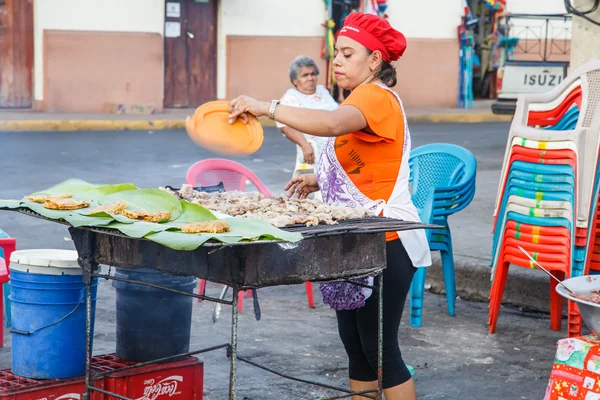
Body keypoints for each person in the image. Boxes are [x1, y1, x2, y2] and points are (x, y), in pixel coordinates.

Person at [228, 12, 431, 400]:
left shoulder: (375, 96)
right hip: (357, 238)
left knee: (380, 351)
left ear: (374, 61)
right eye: (336, 52)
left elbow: (332, 125)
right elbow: (368, 162)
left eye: (347, 53)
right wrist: (321, 179)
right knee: (356, 349)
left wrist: (266, 106)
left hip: (386, 238)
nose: (335, 61)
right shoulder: (362, 97)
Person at [277, 56, 338, 179]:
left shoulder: (322, 90)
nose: (310, 78)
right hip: (316, 144)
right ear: (295, 80)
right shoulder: (290, 97)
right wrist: (304, 144)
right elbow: (284, 127)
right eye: (305, 75)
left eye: (313, 74)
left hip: (336, 137)